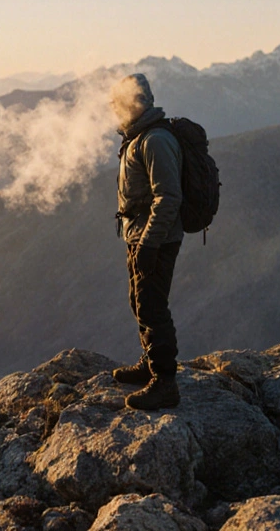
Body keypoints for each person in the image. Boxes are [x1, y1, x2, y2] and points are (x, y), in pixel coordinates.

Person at [110, 73, 184, 410]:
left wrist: (150, 244)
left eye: (117, 103)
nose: (113, 109)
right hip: (140, 236)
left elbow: (168, 197)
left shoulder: (154, 140)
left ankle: (165, 382)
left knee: (152, 305)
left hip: (155, 238)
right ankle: (150, 363)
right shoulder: (137, 137)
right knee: (140, 301)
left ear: (134, 102)